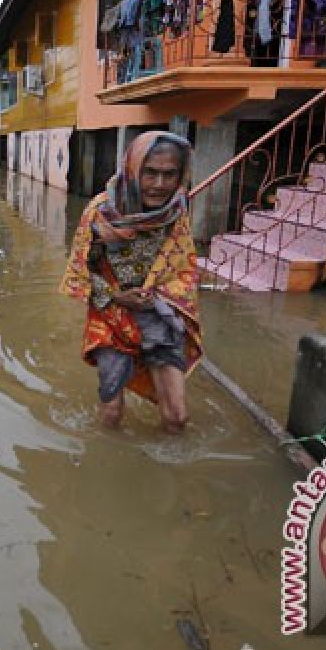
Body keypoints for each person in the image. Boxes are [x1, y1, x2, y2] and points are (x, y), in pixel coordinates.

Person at [59, 130, 203, 433]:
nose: (159, 185)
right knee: (111, 413)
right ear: (133, 168)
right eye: (150, 173)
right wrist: (116, 296)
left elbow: (184, 270)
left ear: (180, 176)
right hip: (111, 316)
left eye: (169, 175)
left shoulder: (176, 213)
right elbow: (79, 273)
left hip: (160, 315)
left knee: (176, 418)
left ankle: (166, 477)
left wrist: (160, 298)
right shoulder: (101, 213)